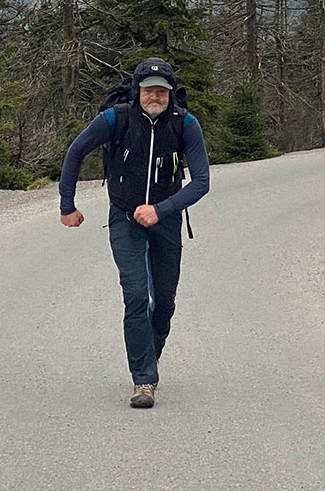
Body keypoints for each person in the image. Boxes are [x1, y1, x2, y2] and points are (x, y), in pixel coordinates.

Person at [58, 58, 211, 409]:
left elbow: (202, 182)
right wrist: (67, 205)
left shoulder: (185, 124)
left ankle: (149, 354)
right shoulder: (116, 119)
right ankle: (144, 380)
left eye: (161, 91)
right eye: (148, 90)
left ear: (170, 94)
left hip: (167, 220)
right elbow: (76, 151)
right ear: (137, 90)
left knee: (165, 302)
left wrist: (162, 209)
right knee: (137, 294)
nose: (154, 96)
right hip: (125, 218)